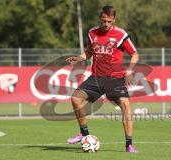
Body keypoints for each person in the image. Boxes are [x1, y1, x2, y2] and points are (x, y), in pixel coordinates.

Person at [66, 5, 139, 153]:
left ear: (114, 20)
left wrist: (129, 71)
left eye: (109, 21)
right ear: (100, 18)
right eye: (103, 20)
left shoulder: (121, 35)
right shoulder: (92, 33)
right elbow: (89, 52)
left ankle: (129, 144)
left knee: (125, 105)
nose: (106, 24)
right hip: (96, 78)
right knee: (75, 99)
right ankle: (84, 134)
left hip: (116, 79)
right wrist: (79, 58)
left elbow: (135, 54)